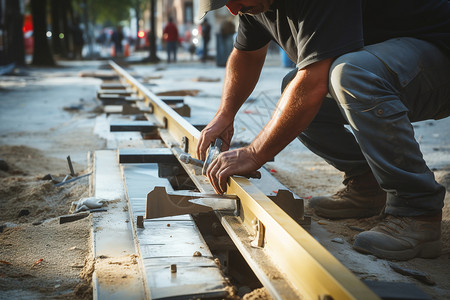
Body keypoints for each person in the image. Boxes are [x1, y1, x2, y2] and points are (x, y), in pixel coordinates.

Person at [196, 0, 450, 261]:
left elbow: (313, 83)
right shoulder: (253, 6)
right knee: (293, 86)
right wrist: (224, 115)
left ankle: (417, 212)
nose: (233, 10)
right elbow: (246, 55)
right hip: (395, 72)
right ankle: (367, 184)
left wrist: (254, 153)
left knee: (349, 74)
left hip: (439, 56)